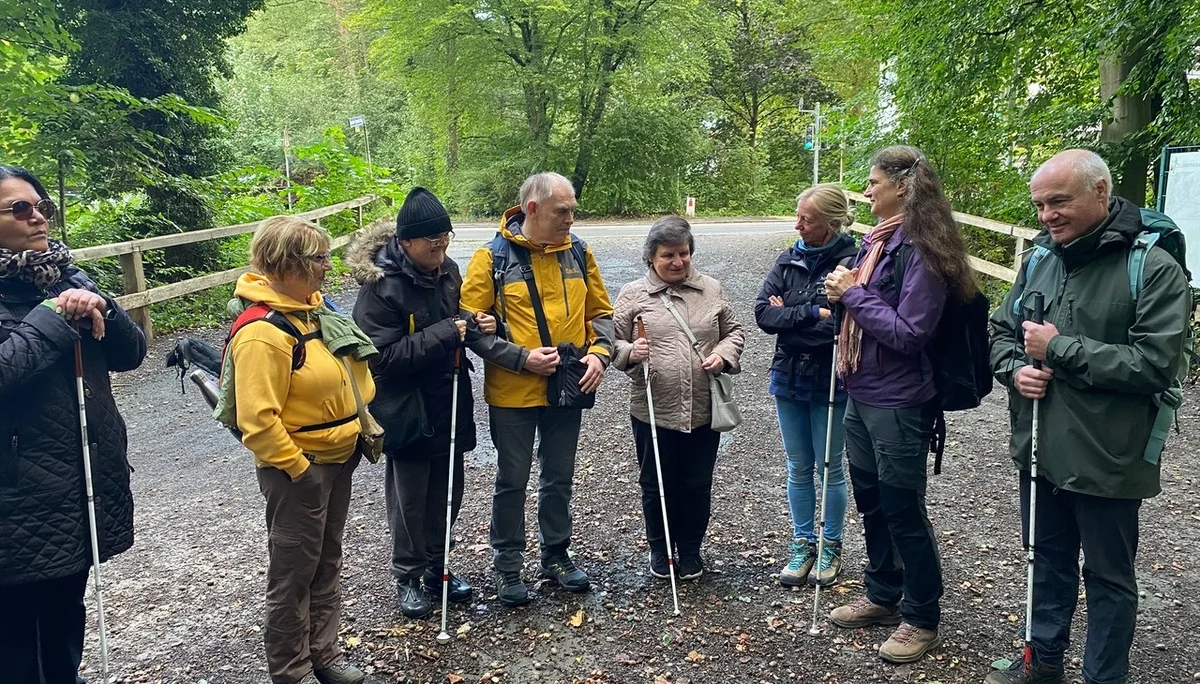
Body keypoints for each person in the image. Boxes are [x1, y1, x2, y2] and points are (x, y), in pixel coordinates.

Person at [986, 150, 1190, 684]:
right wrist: (1013, 371)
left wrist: (1059, 351)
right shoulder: (1040, 259)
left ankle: (1104, 677)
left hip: (1110, 452)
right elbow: (1003, 332)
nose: (1047, 215)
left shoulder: (1152, 267)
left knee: (1108, 577)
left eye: (1059, 201)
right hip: (1039, 444)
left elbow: (1156, 365)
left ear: (1100, 192)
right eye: (1039, 205)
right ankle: (1042, 664)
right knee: (1045, 561)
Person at [823, 145, 977, 663]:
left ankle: (922, 617)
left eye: (874, 182)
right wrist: (843, 296)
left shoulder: (922, 251)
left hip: (900, 399)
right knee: (871, 501)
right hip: (861, 391)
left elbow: (909, 333)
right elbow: (868, 314)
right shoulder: (878, 243)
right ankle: (884, 595)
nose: (866, 191)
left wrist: (852, 295)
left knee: (902, 507)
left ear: (903, 187)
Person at [0, 166, 147, 684]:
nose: (38, 216)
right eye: (20, 208)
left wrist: (103, 305)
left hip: (81, 476)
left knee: (66, 608)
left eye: (41, 206)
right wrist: (54, 316)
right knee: (16, 632)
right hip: (17, 494)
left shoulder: (67, 274)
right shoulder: (50, 295)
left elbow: (132, 355)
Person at [228, 216, 377, 684]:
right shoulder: (262, 332)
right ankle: (291, 672)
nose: (328, 267)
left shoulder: (314, 312)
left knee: (326, 559)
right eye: (319, 258)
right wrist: (299, 470)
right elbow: (257, 421)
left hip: (337, 457)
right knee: (293, 572)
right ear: (285, 263)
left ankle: (324, 657)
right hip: (299, 469)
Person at [348, 187, 506, 619]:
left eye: (445, 238)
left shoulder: (449, 271)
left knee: (449, 491)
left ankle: (440, 567)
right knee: (410, 499)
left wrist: (484, 324)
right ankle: (408, 576)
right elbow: (382, 357)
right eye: (431, 241)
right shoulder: (381, 288)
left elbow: (461, 325)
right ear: (405, 243)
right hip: (406, 407)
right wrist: (449, 332)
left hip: (449, 397)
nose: (440, 248)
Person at [460, 171, 615, 606]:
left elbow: (602, 313)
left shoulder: (580, 253)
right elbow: (470, 326)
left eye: (572, 210)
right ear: (532, 209)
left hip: (568, 385)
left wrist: (600, 355)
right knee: (512, 480)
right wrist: (521, 358)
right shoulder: (489, 258)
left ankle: (556, 555)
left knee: (559, 477)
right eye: (561, 211)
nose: (570, 218)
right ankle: (508, 567)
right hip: (513, 390)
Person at [612, 216, 745, 580]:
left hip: (703, 408)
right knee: (656, 483)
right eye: (668, 255)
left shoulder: (711, 289)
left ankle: (689, 550)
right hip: (653, 408)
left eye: (684, 254)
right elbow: (611, 342)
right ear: (651, 258)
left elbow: (733, 331)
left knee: (697, 483)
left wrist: (724, 354)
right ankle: (660, 548)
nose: (678, 262)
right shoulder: (633, 295)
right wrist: (629, 351)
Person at [755, 184, 858, 588]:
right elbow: (764, 314)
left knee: (830, 467)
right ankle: (803, 542)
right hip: (788, 375)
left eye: (807, 219)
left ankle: (831, 545)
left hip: (833, 376)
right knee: (798, 466)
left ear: (831, 222)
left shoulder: (853, 262)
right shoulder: (789, 258)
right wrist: (813, 312)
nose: (797, 225)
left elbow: (844, 325)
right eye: (798, 216)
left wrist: (795, 317)